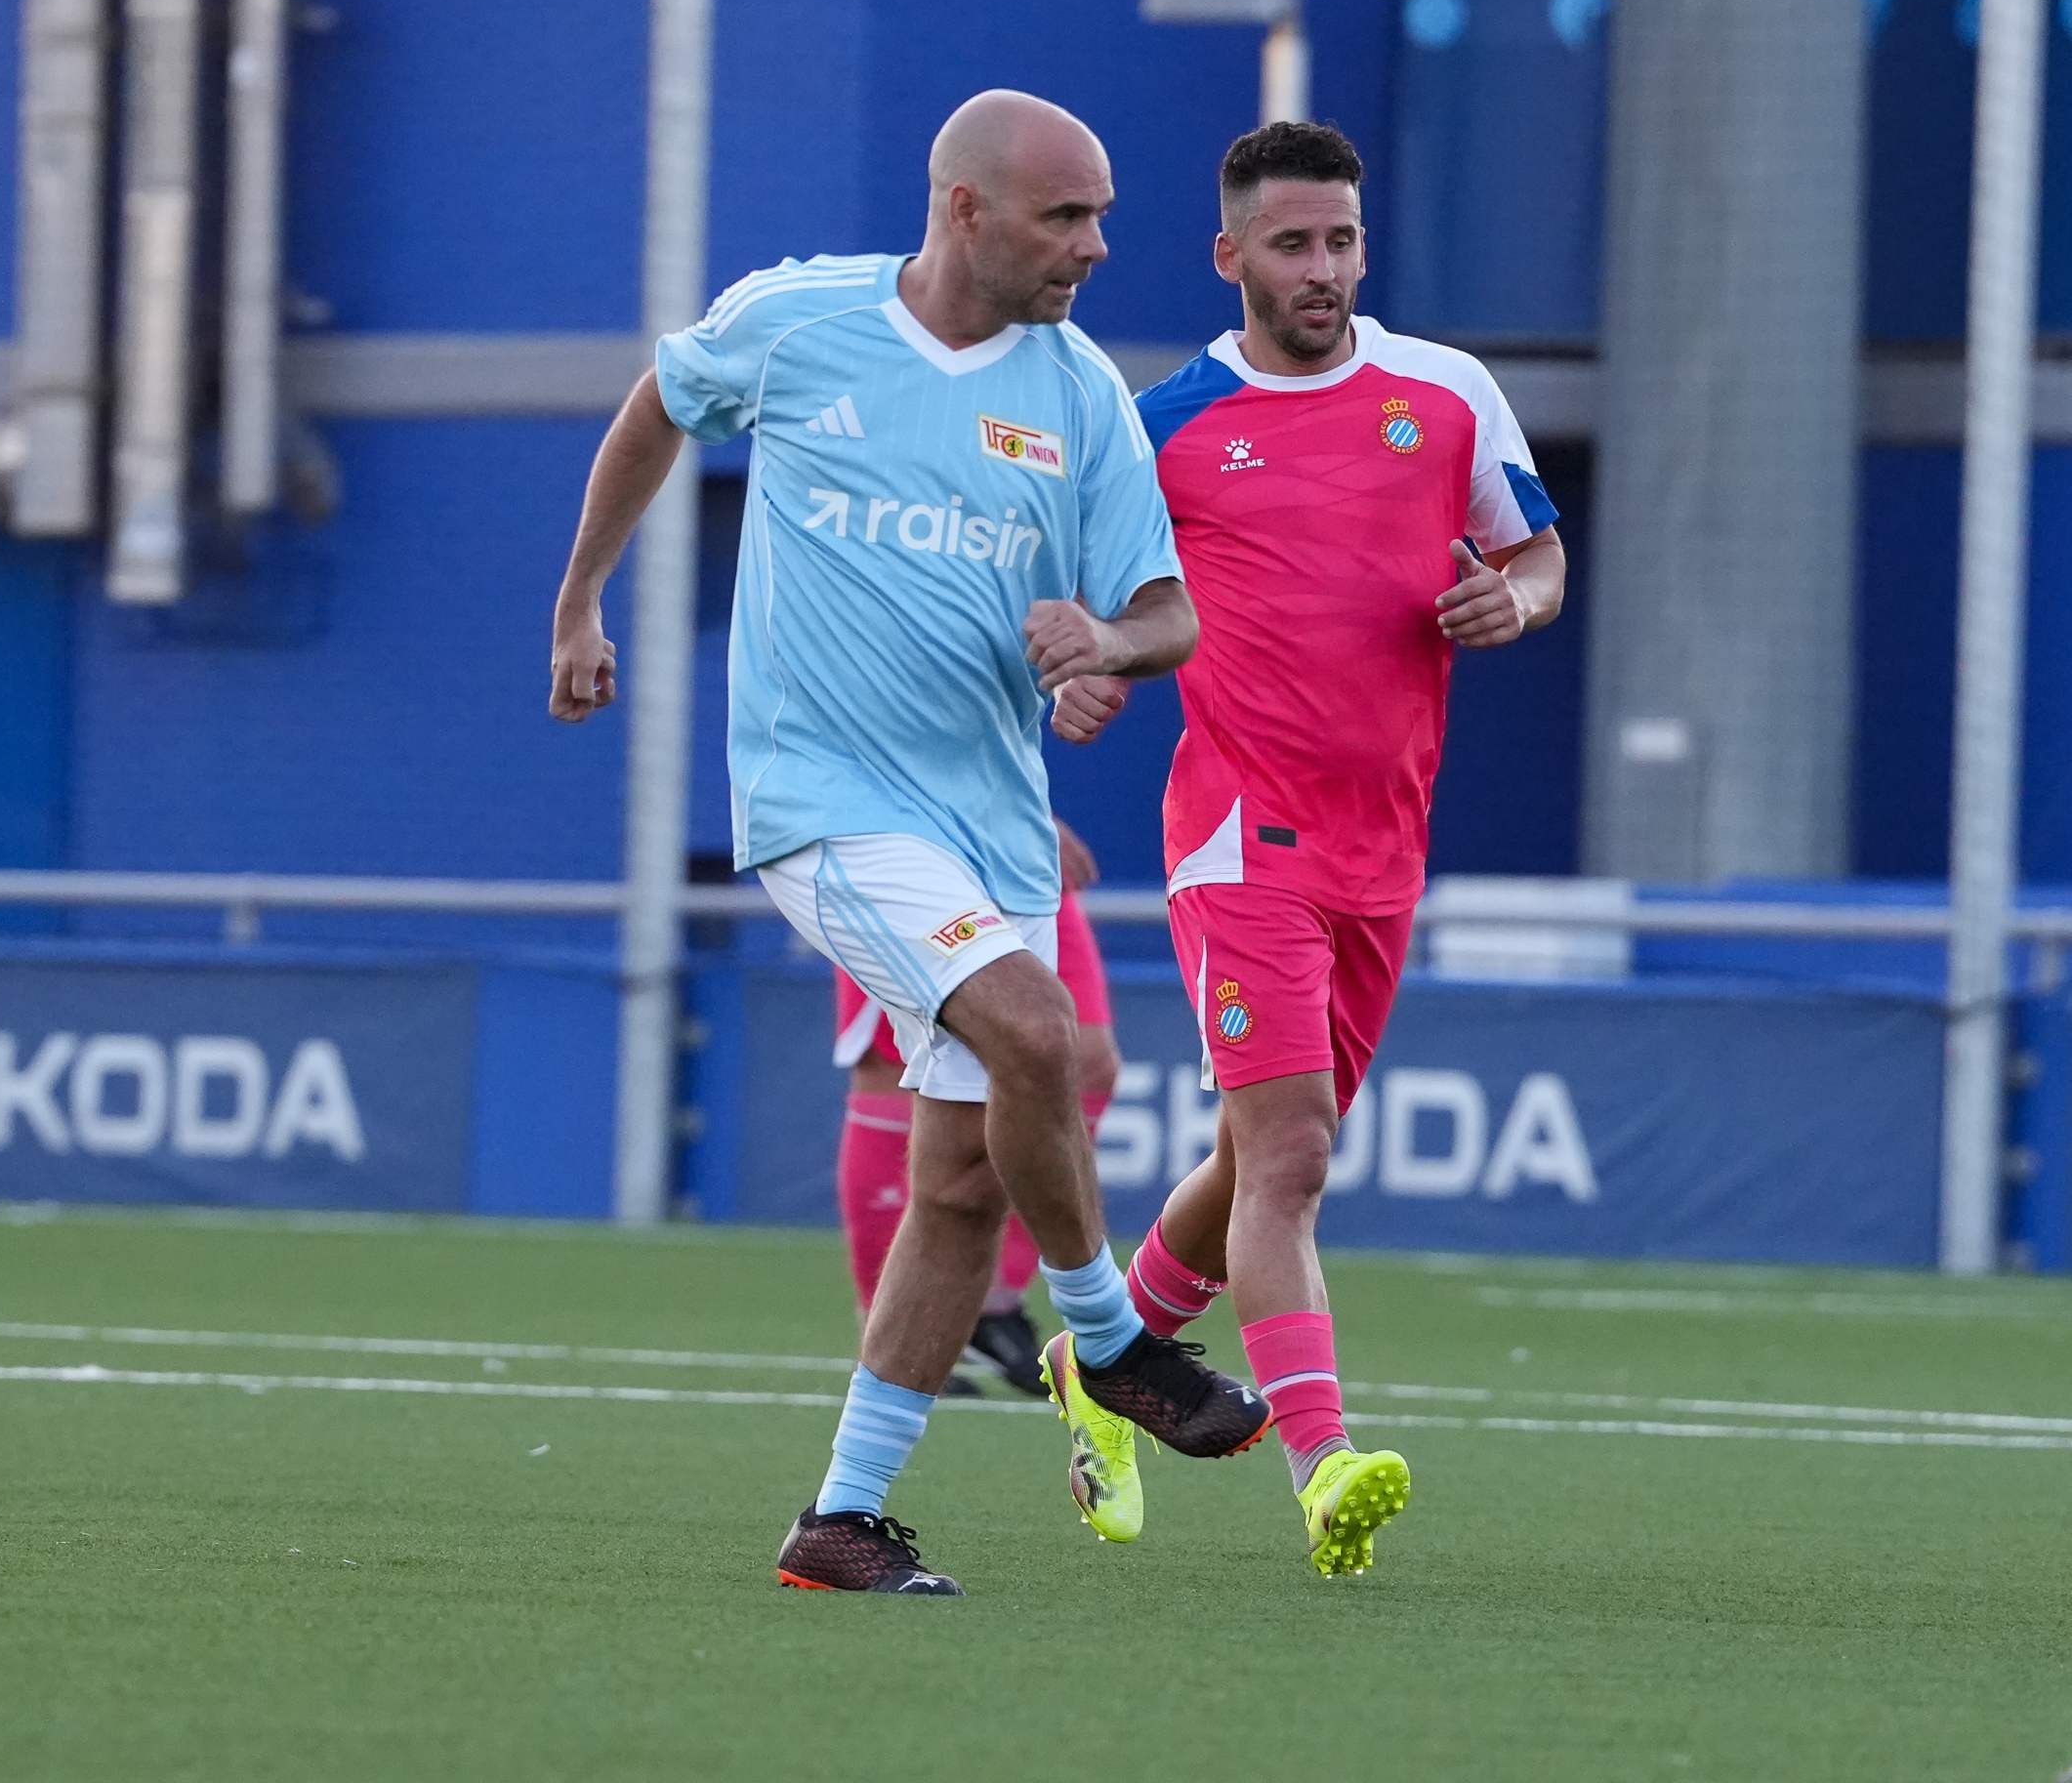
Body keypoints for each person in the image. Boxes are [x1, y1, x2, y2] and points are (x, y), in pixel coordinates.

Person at [546, 90, 1269, 1599]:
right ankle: (1111, 1335)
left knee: (958, 1184)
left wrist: (1104, 648)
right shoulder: (800, 322)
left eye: (1102, 214)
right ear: (964, 209)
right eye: (1067, 215)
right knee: (1043, 1039)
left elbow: (1169, 612)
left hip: (993, 826)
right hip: (824, 805)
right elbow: (659, 406)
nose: (1097, 245)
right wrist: (581, 605)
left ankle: (843, 1520)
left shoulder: (1078, 392)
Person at [1047, 121, 1567, 1576]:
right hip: (1238, 836)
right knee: (1292, 1158)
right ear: (1231, 259)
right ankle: (1325, 1462)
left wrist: (1513, 604)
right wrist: (1090, 667)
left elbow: (1536, 555)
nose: (1324, 268)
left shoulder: (1446, 393)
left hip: (1383, 848)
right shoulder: (1163, 426)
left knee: (1258, 1150)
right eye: (1292, 244)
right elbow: (1094, 603)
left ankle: (1107, 1353)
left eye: (1340, 239)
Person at [830, 814, 1125, 1397]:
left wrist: (1026, 811)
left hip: (1009, 836)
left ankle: (988, 1304)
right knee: (898, 1064)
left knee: (1083, 1060)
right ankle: (888, 1331)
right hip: (903, 832)